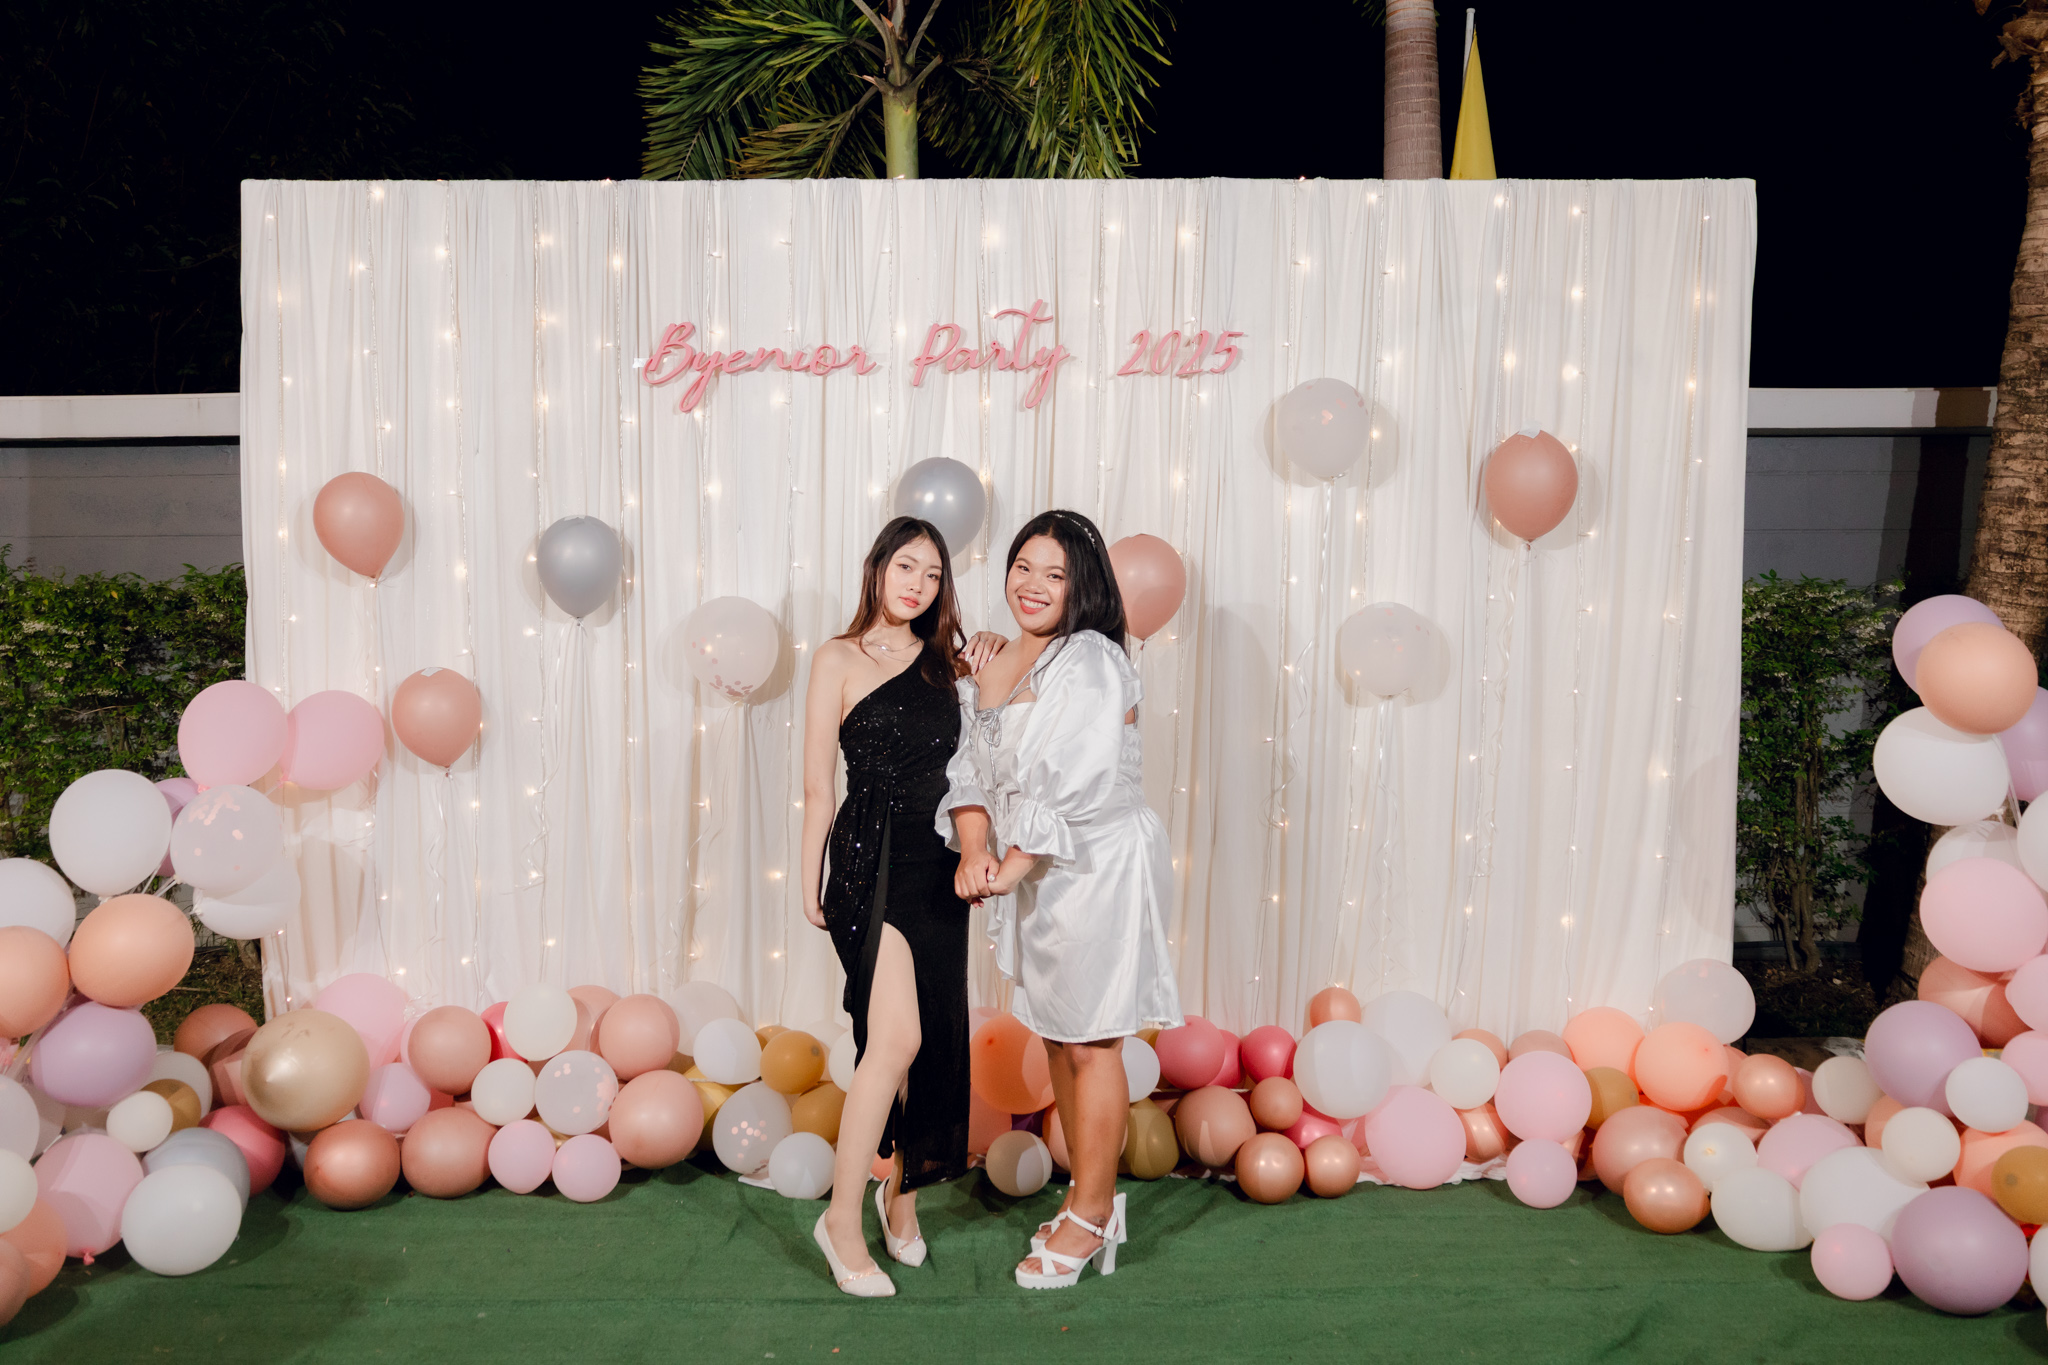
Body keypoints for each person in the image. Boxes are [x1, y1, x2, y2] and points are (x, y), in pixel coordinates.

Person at [939, 509, 1182, 1290]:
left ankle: (1092, 1211)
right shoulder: (997, 657)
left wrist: (1010, 865)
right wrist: (975, 849)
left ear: (1085, 586)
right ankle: (1087, 1198)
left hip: (1096, 862)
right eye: (1023, 566)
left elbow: (1072, 776)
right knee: (1056, 1036)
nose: (1034, 584)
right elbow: (969, 767)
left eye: (1056, 573)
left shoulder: (1092, 658)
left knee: (1091, 1042)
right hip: (1039, 869)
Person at [800, 515, 1001, 1297]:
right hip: (867, 863)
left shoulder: (951, 664)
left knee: (933, 1042)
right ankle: (840, 1220)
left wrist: (993, 653)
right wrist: (808, 878)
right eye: (906, 566)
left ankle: (902, 1197)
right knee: (896, 1039)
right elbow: (820, 788)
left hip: (938, 869)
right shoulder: (836, 657)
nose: (917, 584)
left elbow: (994, 745)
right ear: (878, 567)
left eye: (933, 573)